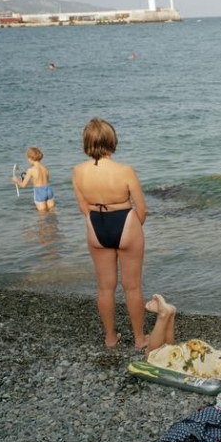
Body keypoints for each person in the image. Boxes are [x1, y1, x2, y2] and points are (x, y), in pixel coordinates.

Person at [72, 118, 148, 349]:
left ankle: (110, 337)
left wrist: (92, 222)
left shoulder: (78, 171)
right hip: (125, 221)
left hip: (96, 223)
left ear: (87, 142)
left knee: (105, 286)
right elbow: (142, 208)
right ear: (112, 140)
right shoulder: (124, 170)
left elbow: (82, 205)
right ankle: (139, 338)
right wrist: (133, 227)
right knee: (132, 286)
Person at [11, 146, 56, 211]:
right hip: (48, 190)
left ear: (30, 158)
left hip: (39, 192)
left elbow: (24, 185)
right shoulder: (45, 168)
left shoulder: (31, 170)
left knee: (42, 215)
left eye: (28, 158)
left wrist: (16, 180)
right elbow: (43, 180)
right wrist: (31, 177)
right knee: (52, 211)